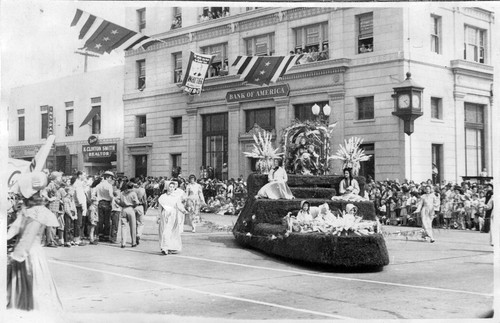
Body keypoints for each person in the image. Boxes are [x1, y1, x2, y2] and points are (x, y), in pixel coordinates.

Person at [7, 171, 63, 311]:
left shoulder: (37, 212)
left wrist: (15, 256)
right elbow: (14, 229)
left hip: (29, 254)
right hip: (25, 252)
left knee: (32, 290)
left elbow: (28, 236)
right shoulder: (28, 210)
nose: (19, 196)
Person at [157, 181, 187, 255]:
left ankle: (170, 247)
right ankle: (164, 247)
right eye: (170, 187)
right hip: (165, 215)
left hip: (173, 215)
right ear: (167, 187)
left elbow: (179, 205)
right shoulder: (163, 197)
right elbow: (160, 208)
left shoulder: (176, 197)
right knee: (165, 230)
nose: (172, 188)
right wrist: (158, 217)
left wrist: (184, 210)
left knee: (171, 231)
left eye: (173, 187)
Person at [95, 171, 115, 242]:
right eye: (111, 178)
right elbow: (111, 196)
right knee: (107, 221)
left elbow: (95, 194)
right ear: (108, 177)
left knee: (100, 220)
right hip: (107, 203)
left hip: (100, 203)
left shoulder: (98, 185)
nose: (111, 179)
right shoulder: (109, 186)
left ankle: (100, 235)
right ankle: (106, 235)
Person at [119, 182, 139, 248]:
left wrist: (121, 204)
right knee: (133, 226)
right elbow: (137, 202)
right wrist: (133, 206)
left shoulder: (121, 193)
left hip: (123, 209)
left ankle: (123, 243)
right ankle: (133, 242)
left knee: (123, 226)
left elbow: (116, 200)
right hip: (130, 209)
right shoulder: (133, 193)